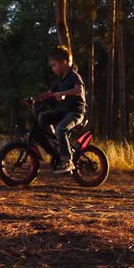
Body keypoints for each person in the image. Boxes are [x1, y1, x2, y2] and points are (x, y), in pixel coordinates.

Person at [27, 45, 86, 174]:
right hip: (64, 112)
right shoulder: (58, 81)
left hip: (76, 112)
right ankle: (55, 142)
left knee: (61, 128)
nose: (52, 69)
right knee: (42, 117)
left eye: (54, 65)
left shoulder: (73, 76)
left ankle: (67, 161)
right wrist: (34, 99)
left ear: (64, 62)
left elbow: (78, 90)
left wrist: (63, 93)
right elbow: (49, 94)